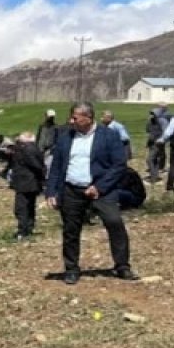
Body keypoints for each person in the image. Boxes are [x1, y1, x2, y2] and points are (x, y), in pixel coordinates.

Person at [44, 102, 138, 285]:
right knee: (71, 230)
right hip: (72, 189)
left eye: (75, 117)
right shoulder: (65, 137)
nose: (71, 121)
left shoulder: (108, 135)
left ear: (88, 118)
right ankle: (71, 269)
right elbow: (56, 166)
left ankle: (122, 266)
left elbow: (119, 165)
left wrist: (99, 187)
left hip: (101, 190)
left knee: (114, 223)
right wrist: (51, 192)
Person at [8, 132, 46, 240]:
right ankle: (28, 228)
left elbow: (36, 165)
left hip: (26, 182)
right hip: (31, 182)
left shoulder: (26, 150)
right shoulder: (34, 148)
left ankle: (23, 230)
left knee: (21, 207)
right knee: (29, 206)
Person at [145, 104, 174, 184]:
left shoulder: (162, 121)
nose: (151, 115)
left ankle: (154, 177)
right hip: (151, 143)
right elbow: (148, 131)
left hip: (158, 143)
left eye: (153, 114)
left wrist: (162, 140)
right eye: (151, 114)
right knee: (154, 159)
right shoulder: (150, 122)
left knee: (150, 160)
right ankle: (155, 176)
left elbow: (166, 132)